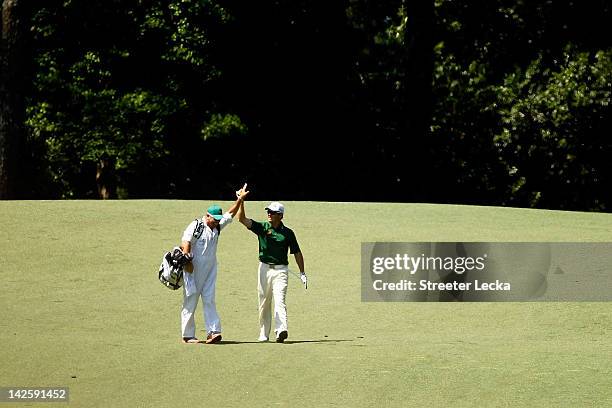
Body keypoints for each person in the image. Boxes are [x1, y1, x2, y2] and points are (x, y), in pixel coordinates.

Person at [179, 185, 249, 344]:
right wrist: (188, 260)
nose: (216, 222)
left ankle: (213, 332)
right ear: (207, 216)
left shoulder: (216, 226)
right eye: (214, 220)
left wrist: (239, 199)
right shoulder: (196, 225)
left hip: (210, 269)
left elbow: (230, 213)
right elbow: (186, 242)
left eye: (218, 220)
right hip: (193, 269)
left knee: (209, 299)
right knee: (191, 300)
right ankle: (188, 335)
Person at [236, 188, 307, 343]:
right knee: (264, 302)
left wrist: (302, 273)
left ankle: (281, 330)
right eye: (268, 211)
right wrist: (241, 201)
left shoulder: (288, 233)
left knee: (280, 300)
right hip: (264, 269)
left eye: (273, 212)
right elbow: (242, 219)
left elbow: (297, 252)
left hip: (281, 270)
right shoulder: (262, 227)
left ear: (280, 216)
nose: (269, 214)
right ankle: (263, 333)